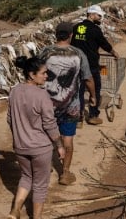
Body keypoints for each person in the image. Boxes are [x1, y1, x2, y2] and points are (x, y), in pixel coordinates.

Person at [7, 56, 65, 219]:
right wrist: (59, 145)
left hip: (20, 146)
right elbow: (49, 124)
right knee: (40, 185)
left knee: (26, 177)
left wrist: (19, 136)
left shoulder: (14, 91)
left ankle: (15, 210)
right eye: (43, 73)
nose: (46, 76)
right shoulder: (42, 95)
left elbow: (10, 119)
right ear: (32, 75)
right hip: (40, 148)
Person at [39, 22, 95, 185]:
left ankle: (47, 165)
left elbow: (35, 74)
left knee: (46, 136)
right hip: (71, 105)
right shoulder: (78, 54)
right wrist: (92, 96)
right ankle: (65, 173)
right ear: (71, 35)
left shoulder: (45, 52)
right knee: (68, 140)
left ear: (56, 35)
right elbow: (87, 78)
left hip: (47, 104)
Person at [71, 5, 120, 125]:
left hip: (77, 63)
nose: (100, 17)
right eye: (99, 15)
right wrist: (113, 52)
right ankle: (93, 115)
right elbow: (103, 43)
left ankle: (79, 117)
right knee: (95, 89)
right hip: (91, 64)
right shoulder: (95, 29)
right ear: (91, 15)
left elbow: (73, 44)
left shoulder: (77, 27)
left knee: (79, 91)